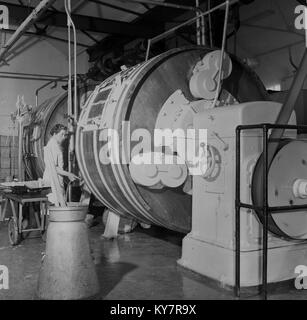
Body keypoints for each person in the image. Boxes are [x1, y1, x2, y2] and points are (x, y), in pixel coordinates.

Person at [43, 123, 78, 203]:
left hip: (53, 179)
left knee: (54, 208)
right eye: (61, 134)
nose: (63, 137)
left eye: (64, 135)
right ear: (55, 134)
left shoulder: (52, 144)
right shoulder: (54, 146)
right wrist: (69, 174)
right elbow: (54, 168)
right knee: (56, 207)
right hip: (53, 181)